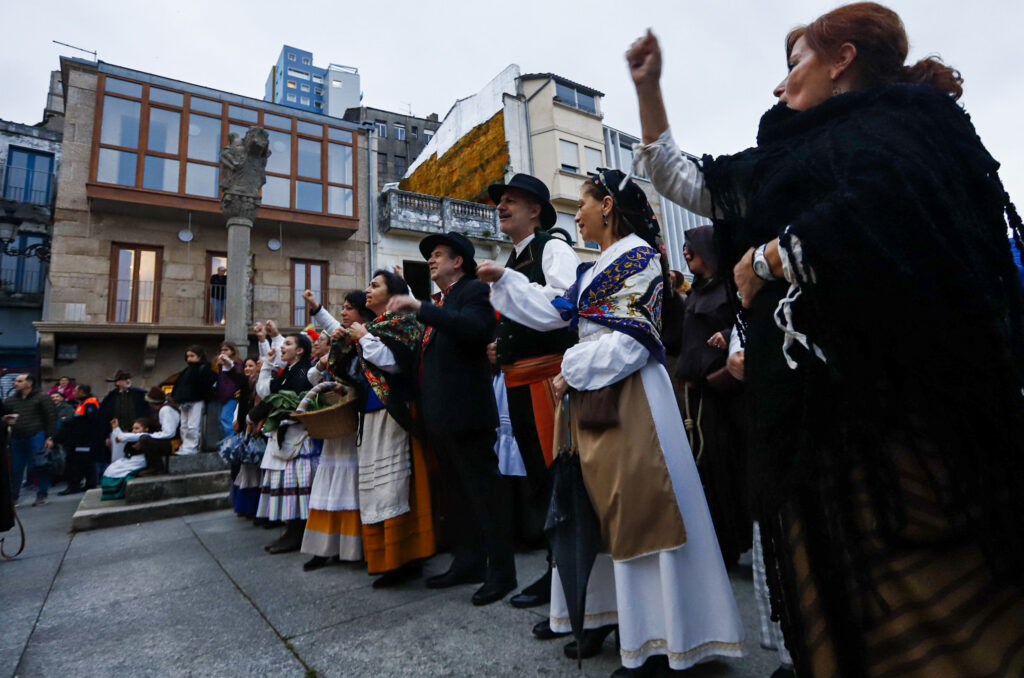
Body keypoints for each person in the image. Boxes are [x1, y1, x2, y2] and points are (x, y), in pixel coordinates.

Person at [628, 4, 1024, 675]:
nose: (779, 86)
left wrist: (768, 259)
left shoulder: (911, 122)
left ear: (841, 58)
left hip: (902, 436)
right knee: (844, 633)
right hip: (813, 442)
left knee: (941, 631)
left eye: (794, 64)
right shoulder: (787, 160)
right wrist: (647, 87)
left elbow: (887, 210)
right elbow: (686, 178)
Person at [478, 169, 744, 676]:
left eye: (582, 203)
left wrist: (570, 371)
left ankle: (664, 640)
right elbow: (559, 312)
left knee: (640, 511)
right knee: (603, 512)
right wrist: (507, 280)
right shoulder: (598, 266)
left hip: (631, 397)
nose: (575, 214)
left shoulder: (640, 256)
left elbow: (631, 341)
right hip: (599, 395)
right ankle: (618, 622)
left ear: (608, 205)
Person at [388, 232, 516, 606]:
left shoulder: (473, 292)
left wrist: (419, 307)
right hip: (442, 416)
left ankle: (502, 573)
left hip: (468, 414)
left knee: (485, 496)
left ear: (458, 261)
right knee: (457, 499)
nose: (431, 260)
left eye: (438, 254)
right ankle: (468, 561)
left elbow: (475, 330)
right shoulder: (438, 303)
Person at [487, 173, 580, 613]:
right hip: (520, 380)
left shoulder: (553, 247)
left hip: (546, 378)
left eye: (511, 201)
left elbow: (562, 305)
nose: (501, 207)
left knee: (554, 479)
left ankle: (564, 576)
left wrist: (506, 281)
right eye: (500, 202)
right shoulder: (517, 254)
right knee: (542, 483)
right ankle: (558, 573)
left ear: (535, 210)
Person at [348, 272, 436, 587]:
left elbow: (397, 364)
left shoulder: (403, 323)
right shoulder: (372, 327)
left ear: (393, 292)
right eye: (368, 285)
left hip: (396, 411)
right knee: (376, 486)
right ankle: (384, 556)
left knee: (396, 484)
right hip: (372, 413)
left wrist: (364, 339)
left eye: (375, 285)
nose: (367, 290)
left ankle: (407, 556)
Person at [673, 225, 751, 568]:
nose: (686, 252)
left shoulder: (731, 288)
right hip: (696, 397)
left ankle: (731, 545)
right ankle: (715, 542)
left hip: (721, 398)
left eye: (692, 246)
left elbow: (749, 323)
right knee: (703, 468)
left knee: (724, 468)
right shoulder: (696, 293)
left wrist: (728, 332)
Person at [299, 290, 369, 571]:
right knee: (328, 484)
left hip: (352, 423)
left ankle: (351, 548)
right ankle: (323, 548)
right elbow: (332, 330)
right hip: (334, 426)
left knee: (349, 484)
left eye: (349, 308)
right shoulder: (342, 340)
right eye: (342, 308)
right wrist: (316, 307)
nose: (344, 312)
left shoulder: (364, 339)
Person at [255, 331, 319, 554]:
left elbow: (276, 397)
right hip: (286, 436)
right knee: (290, 488)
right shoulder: (287, 371)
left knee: (298, 490)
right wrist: (267, 364)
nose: (283, 347)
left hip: (298, 437)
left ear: (300, 350)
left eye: (288, 344)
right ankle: (291, 532)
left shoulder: (304, 372)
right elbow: (265, 392)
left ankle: (297, 533)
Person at [4, 374, 56, 506]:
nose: (15, 383)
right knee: (16, 468)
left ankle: (42, 495)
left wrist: (50, 437)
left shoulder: (42, 398)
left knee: (40, 465)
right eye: (15, 381)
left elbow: (50, 417)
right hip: (17, 437)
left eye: (19, 381)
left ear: (29, 383)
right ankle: (14, 497)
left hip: (36, 434)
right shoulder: (11, 400)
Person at [98, 370, 148, 475]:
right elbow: (104, 417)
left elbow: (146, 412)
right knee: (117, 457)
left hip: (135, 431)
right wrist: (106, 435)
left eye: (128, 379)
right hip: (117, 431)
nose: (127, 381)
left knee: (136, 455)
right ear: (118, 383)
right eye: (124, 379)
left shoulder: (138, 395)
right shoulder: (110, 398)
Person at [56, 384, 103, 495]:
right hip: (81, 439)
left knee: (76, 463)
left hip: (84, 440)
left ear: (82, 392)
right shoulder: (83, 403)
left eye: (75, 391)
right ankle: (88, 484)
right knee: (84, 463)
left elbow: (91, 422)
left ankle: (76, 486)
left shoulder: (89, 404)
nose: (73, 392)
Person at [232, 357, 262, 518]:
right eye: (246, 366)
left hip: (255, 430)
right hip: (244, 430)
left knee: (253, 471)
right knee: (244, 470)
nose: (248, 369)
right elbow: (241, 406)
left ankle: (252, 507)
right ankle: (244, 506)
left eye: (252, 365)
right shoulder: (244, 387)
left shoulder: (260, 385)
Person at [170, 346, 215, 456]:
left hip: (196, 400)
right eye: (188, 356)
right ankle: (185, 445)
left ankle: (191, 446)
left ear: (199, 357)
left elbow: (206, 384)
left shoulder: (203, 369)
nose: (189, 359)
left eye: (192, 356)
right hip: (185, 400)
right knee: (184, 425)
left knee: (192, 425)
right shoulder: (186, 371)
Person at [100, 417, 151, 500]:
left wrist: (116, 428)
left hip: (139, 460)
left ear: (146, 429)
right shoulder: (135, 437)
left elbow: (122, 437)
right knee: (112, 468)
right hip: (130, 459)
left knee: (118, 470)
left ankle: (117, 491)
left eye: (137, 428)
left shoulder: (145, 436)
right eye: (133, 428)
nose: (134, 430)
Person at [134, 387, 180, 476]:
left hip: (172, 443)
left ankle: (155, 467)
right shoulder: (162, 409)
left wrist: (150, 436)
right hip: (167, 441)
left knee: (145, 439)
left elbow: (169, 433)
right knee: (143, 439)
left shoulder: (166, 410)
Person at [214, 342, 245, 440]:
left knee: (226, 419)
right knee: (221, 421)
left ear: (232, 351)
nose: (223, 352)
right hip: (222, 396)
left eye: (226, 350)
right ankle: (225, 442)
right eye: (221, 350)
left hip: (232, 396)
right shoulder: (219, 365)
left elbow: (236, 377)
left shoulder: (237, 363)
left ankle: (231, 442)